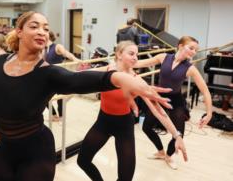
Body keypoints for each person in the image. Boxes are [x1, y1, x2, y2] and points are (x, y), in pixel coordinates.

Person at [0, 11, 172, 181]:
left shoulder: (48, 73)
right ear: (19, 31)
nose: (42, 32)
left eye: (46, 28)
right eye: (35, 26)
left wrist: (119, 78)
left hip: (36, 150)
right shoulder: (0, 62)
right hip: (6, 147)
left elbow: (78, 81)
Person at [77, 41, 188, 181]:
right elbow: (79, 75)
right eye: (131, 53)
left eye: (136, 54)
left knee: (126, 178)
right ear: (118, 54)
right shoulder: (107, 70)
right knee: (83, 161)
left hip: (124, 126)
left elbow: (158, 111)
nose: (135, 57)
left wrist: (177, 135)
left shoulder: (136, 80)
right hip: (103, 122)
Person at [135, 36, 212, 169]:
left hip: (176, 100)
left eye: (196, 49)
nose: (194, 52)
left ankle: (169, 156)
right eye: (191, 48)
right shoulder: (163, 57)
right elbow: (140, 64)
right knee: (146, 127)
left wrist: (209, 113)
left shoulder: (190, 68)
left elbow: (205, 90)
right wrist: (121, 62)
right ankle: (160, 151)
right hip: (158, 98)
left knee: (178, 133)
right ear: (180, 46)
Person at [44, 30, 80, 121]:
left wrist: (75, 59)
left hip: (58, 75)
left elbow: (66, 53)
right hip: (47, 76)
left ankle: (60, 116)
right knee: (43, 98)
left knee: (60, 99)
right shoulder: (43, 49)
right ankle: (54, 114)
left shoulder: (57, 47)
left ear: (49, 36)